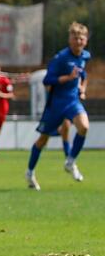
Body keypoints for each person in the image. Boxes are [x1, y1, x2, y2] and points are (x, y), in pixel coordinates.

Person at [26, 21, 90, 190]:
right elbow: (47, 80)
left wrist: (82, 89)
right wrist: (68, 78)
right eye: (75, 38)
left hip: (72, 101)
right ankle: (30, 172)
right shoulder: (61, 58)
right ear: (70, 39)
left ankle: (70, 161)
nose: (78, 41)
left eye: (82, 38)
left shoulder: (84, 56)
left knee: (83, 127)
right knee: (43, 140)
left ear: (86, 40)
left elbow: (84, 74)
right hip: (56, 104)